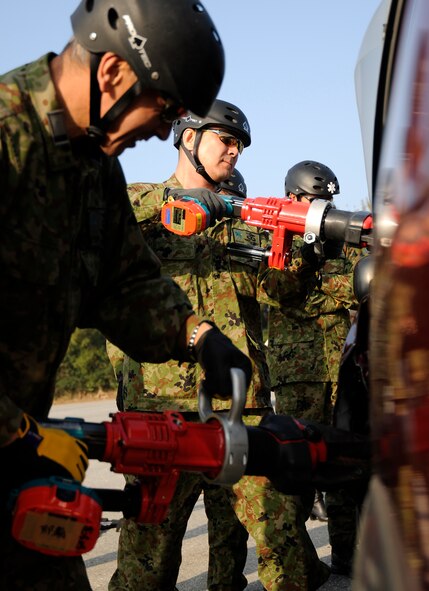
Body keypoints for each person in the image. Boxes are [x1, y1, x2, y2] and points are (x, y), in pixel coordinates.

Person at [0, 2, 254, 590]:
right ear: (113, 73)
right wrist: (16, 435)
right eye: (166, 110)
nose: (166, 132)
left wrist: (198, 336)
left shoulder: (92, 167)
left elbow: (124, 281)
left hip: (23, 467)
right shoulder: (10, 143)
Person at [107, 103, 330, 591]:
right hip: (160, 408)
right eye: (225, 139)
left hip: (238, 407)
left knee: (282, 539)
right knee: (147, 561)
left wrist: (309, 255)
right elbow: (101, 232)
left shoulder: (242, 223)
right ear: (188, 139)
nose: (235, 150)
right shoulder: (137, 204)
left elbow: (282, 293)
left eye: (240, 144)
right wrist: (181, 204)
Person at [258, 160, 366, 577]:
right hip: (297, 372)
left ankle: (346, 553)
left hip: (340, 368)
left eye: (328, 200)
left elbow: (363, 287)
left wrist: (332, 289)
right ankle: (298, 562)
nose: (325, 207)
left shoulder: (345, 240)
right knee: (295, 469)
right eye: (317, 199)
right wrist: (335, 287)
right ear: (295, 199)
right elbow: (280, 293)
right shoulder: (277, 238)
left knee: (343, 461)